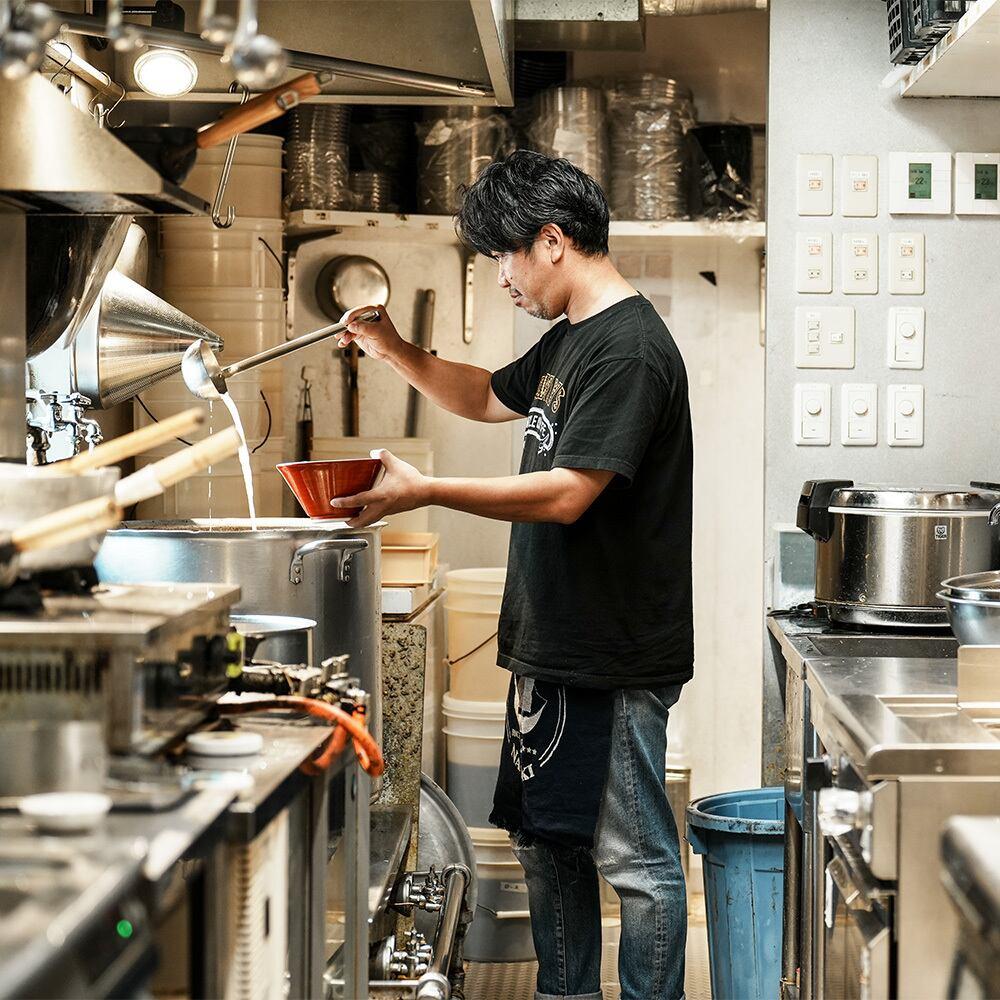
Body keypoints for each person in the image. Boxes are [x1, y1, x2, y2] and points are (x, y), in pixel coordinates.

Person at [333, 149, 693, 1000]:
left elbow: (569, 495)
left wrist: (423, 492)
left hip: (611, 654)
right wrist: (391, 351)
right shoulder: (572, 340)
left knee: (636, 862)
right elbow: (485, 396)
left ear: (553, 241)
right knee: (547, 841)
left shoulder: (631, 350)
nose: (502, 277)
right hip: (556, 646)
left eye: (506, 255)